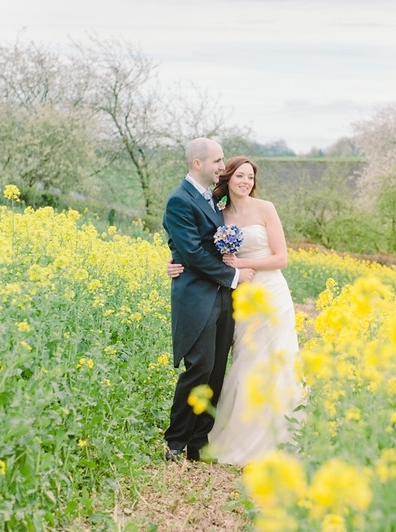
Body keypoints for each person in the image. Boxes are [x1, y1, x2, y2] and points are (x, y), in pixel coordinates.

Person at [166, 156, 303, 466]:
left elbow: (281, 258)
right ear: (227, 178)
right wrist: (176, 263)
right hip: (239, 296)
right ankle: (234, 435)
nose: (246, 181)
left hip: (271, 292)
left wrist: (242, 264)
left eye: (250, 177)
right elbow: (197, 245)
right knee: (246, 361)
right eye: (240, 175)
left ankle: (278, 436)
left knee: (277, 361)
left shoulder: (266, 208)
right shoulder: (218, 212)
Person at [162, 138, 256, 463]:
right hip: (198, 298)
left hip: (223, 300)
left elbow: (201, 245)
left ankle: (198, 444)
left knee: (216, 371)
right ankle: (174, 441)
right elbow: (193, 252)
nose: (222, 166)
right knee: (198, 368)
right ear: (197, 163)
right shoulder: (180, 200)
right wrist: (233, 276)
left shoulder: (212, 198)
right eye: (217, 160)